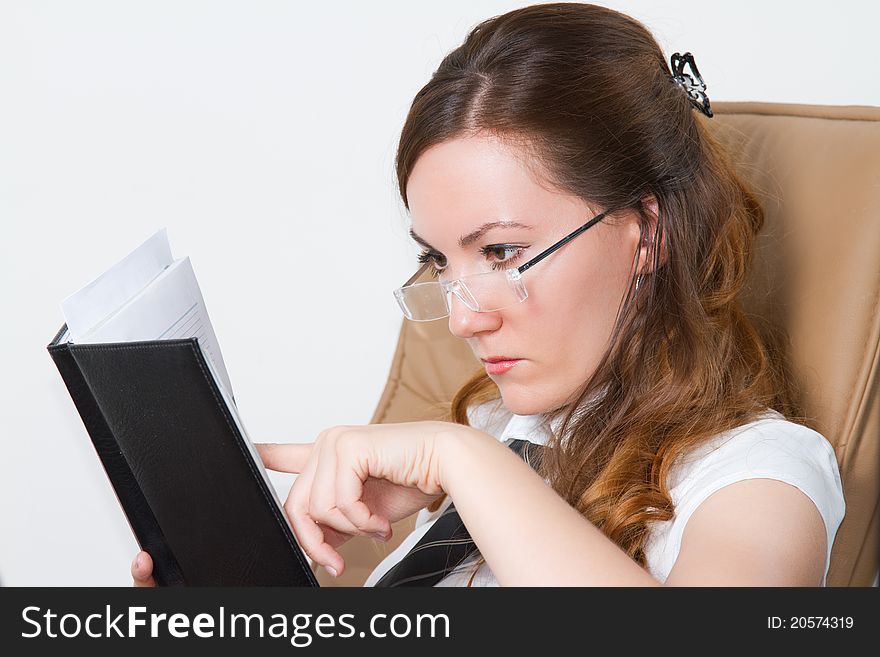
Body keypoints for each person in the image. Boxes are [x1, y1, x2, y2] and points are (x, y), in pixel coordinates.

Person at [133, 2, 845, 587]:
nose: (464, 316)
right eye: (439, 259)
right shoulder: (493, 435)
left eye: (503, 251)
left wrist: (465, 462)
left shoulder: (756, 475)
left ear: (646, 230)